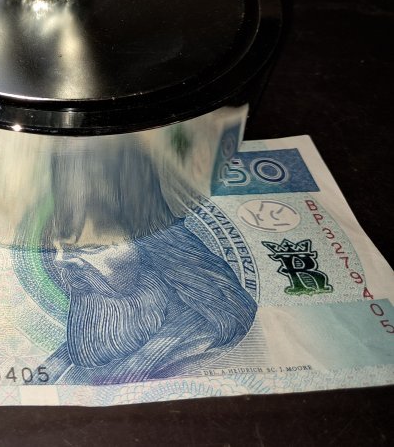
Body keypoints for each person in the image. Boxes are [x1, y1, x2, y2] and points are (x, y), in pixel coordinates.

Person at [40, 138, 257, 385]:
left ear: (152, 252)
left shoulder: (203, 347)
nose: (61, 261)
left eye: (93, 247)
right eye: (58, 249)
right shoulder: (72, 352)